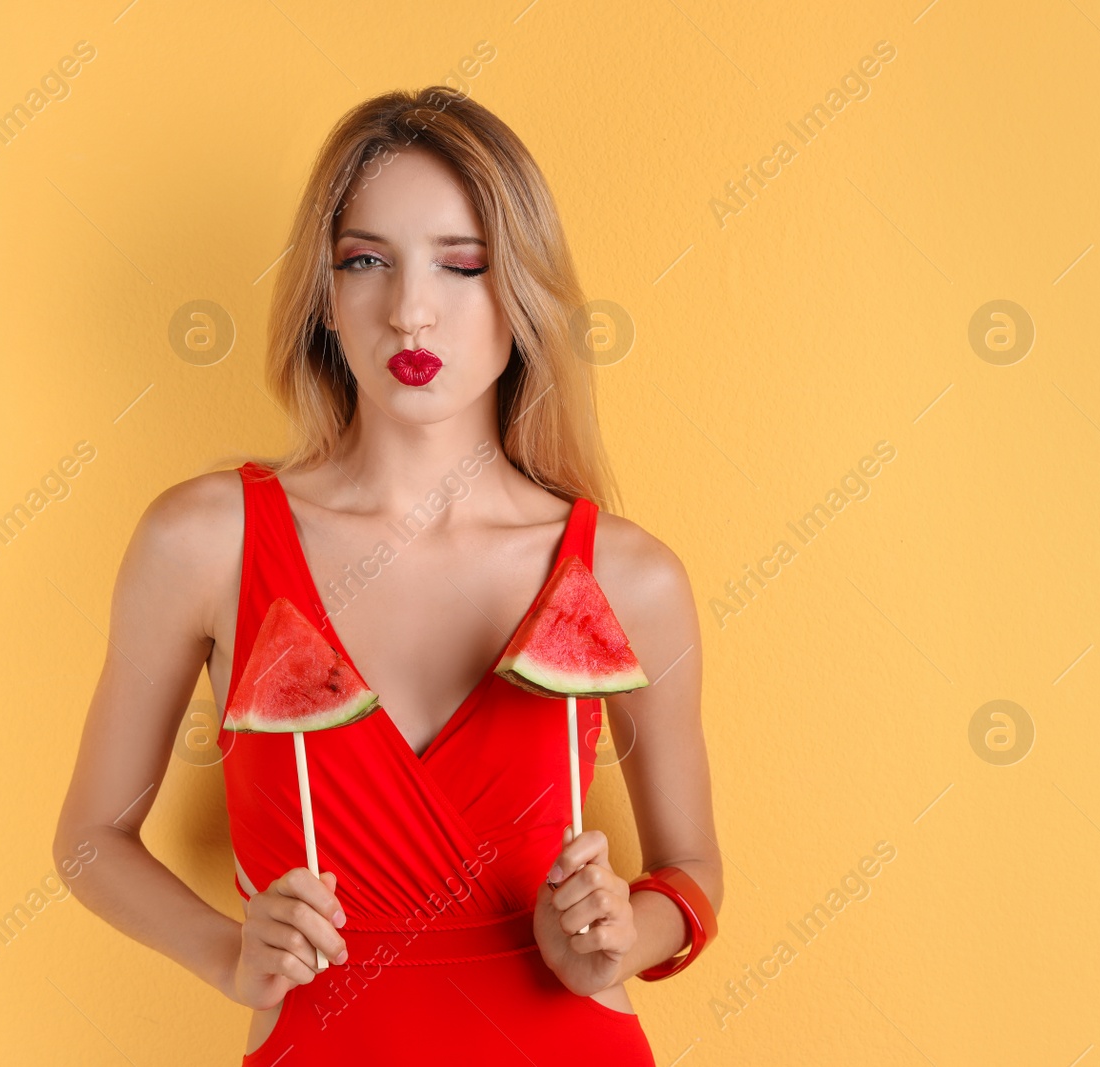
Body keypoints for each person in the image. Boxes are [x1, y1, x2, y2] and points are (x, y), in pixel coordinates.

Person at [53, 85, 722, 1065]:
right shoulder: (203, 541)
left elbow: (692, 868)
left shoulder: (632, 575)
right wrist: (231, 952)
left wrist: (628, 932)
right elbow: (87, 841)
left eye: (462, 265)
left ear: (521, 293)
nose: (411, 311)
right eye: (365, 261)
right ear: (323, 295)